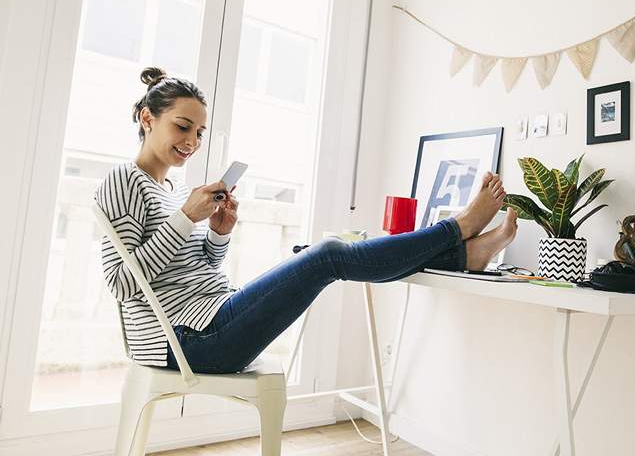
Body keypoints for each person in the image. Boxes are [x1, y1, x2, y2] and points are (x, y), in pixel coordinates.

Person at [94, 66, 519, 374]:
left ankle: (463, 256)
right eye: (183, 127)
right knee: (327, 255)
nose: (191, 142)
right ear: (148, 119)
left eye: (199, 133)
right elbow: (123, 283)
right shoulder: (124, 180)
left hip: (210, 319)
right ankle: (458, 230)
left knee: (320, 255)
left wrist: (218, 236)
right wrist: (187, 217)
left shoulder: (168, 191)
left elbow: (194, 273)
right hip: (188, 341)